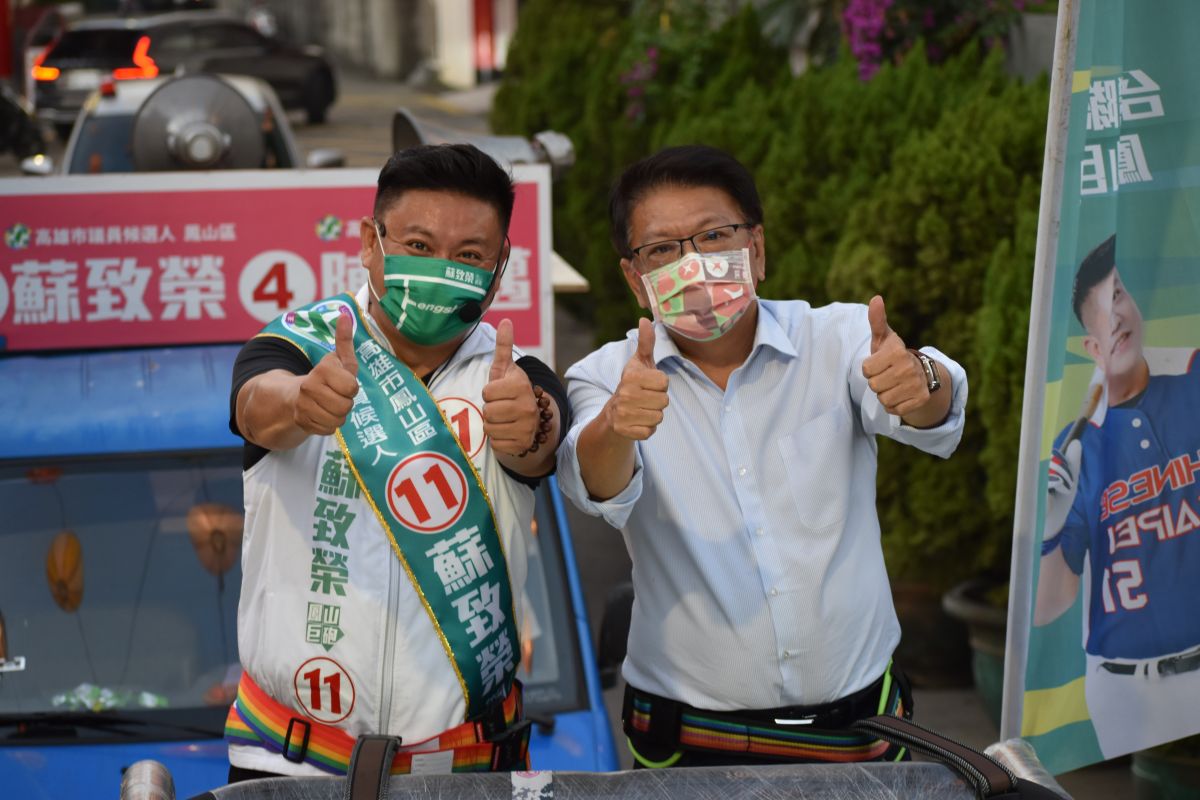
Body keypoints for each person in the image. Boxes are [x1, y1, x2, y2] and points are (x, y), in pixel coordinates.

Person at [557, 145, 968, 768]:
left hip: (861, 728)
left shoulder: (840, 338)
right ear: (634, 278)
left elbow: (925, 407)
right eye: (663, 249)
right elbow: (597, 481)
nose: (692, 264)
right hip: (689, 740)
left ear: (756, 248)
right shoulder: (606, 376)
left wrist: (922, 380)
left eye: (714, 235)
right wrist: (619, 424)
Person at [223, 144, 567, 780]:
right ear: (369, 242)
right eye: (417, 244)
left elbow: (543, 434)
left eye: (469, 256)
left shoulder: (512, 377)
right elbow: (254, 407)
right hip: (290, 766)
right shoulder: (300, 345)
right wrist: (302, 402)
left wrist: (533, 421)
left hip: (465, 770)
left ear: (500, 268)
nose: (442, 268)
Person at [1034, 233, 1200, 758]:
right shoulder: (1077, 445)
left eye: (1121, 294)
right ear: (1092, 346)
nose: (1117, 314)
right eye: (1101, 310)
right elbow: (1049, 603)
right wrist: (1052, 528)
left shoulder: (1194, 373)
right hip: (1124, 691)